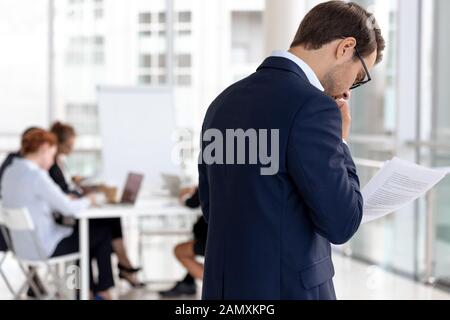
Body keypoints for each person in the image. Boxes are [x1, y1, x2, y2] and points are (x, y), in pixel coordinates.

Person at [198, 1, 385, 300]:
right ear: (346, 47)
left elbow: (213, 207)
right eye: (360, 76)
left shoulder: (222, 104)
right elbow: (342, 224)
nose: (350, 89)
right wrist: (342, 143)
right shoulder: (314, 107)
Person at [0, 129, 114, 299]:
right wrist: (89, 200)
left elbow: (34, 201)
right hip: (44, 247)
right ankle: (101, 291)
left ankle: (83, 290)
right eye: (52, 156)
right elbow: (67, 208)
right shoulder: (37, 175)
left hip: (21, 247)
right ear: (45, 148)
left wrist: (58, 200)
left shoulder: (11, 172)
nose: (52, 161)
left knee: (86, 236)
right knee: (101, 231)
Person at [49, 122, 144, 288]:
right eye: (71, 144)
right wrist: (86, 194)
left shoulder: (58, 163)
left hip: (69, 213)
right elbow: (63, 195)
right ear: (60, 143)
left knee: (111, 218)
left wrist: (80, 186)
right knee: (104, 229)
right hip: (65, 220)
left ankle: (117, 271)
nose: (73, 148)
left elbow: (64, 190)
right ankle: (118, 270)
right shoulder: (52, 167)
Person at [159, 187, 208, 297]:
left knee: (179, 251)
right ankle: (189, 281)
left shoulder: (213, 174)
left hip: (216, 239)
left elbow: (192, 203)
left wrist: (185, 196)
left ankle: (217, 286)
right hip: (241, 236)